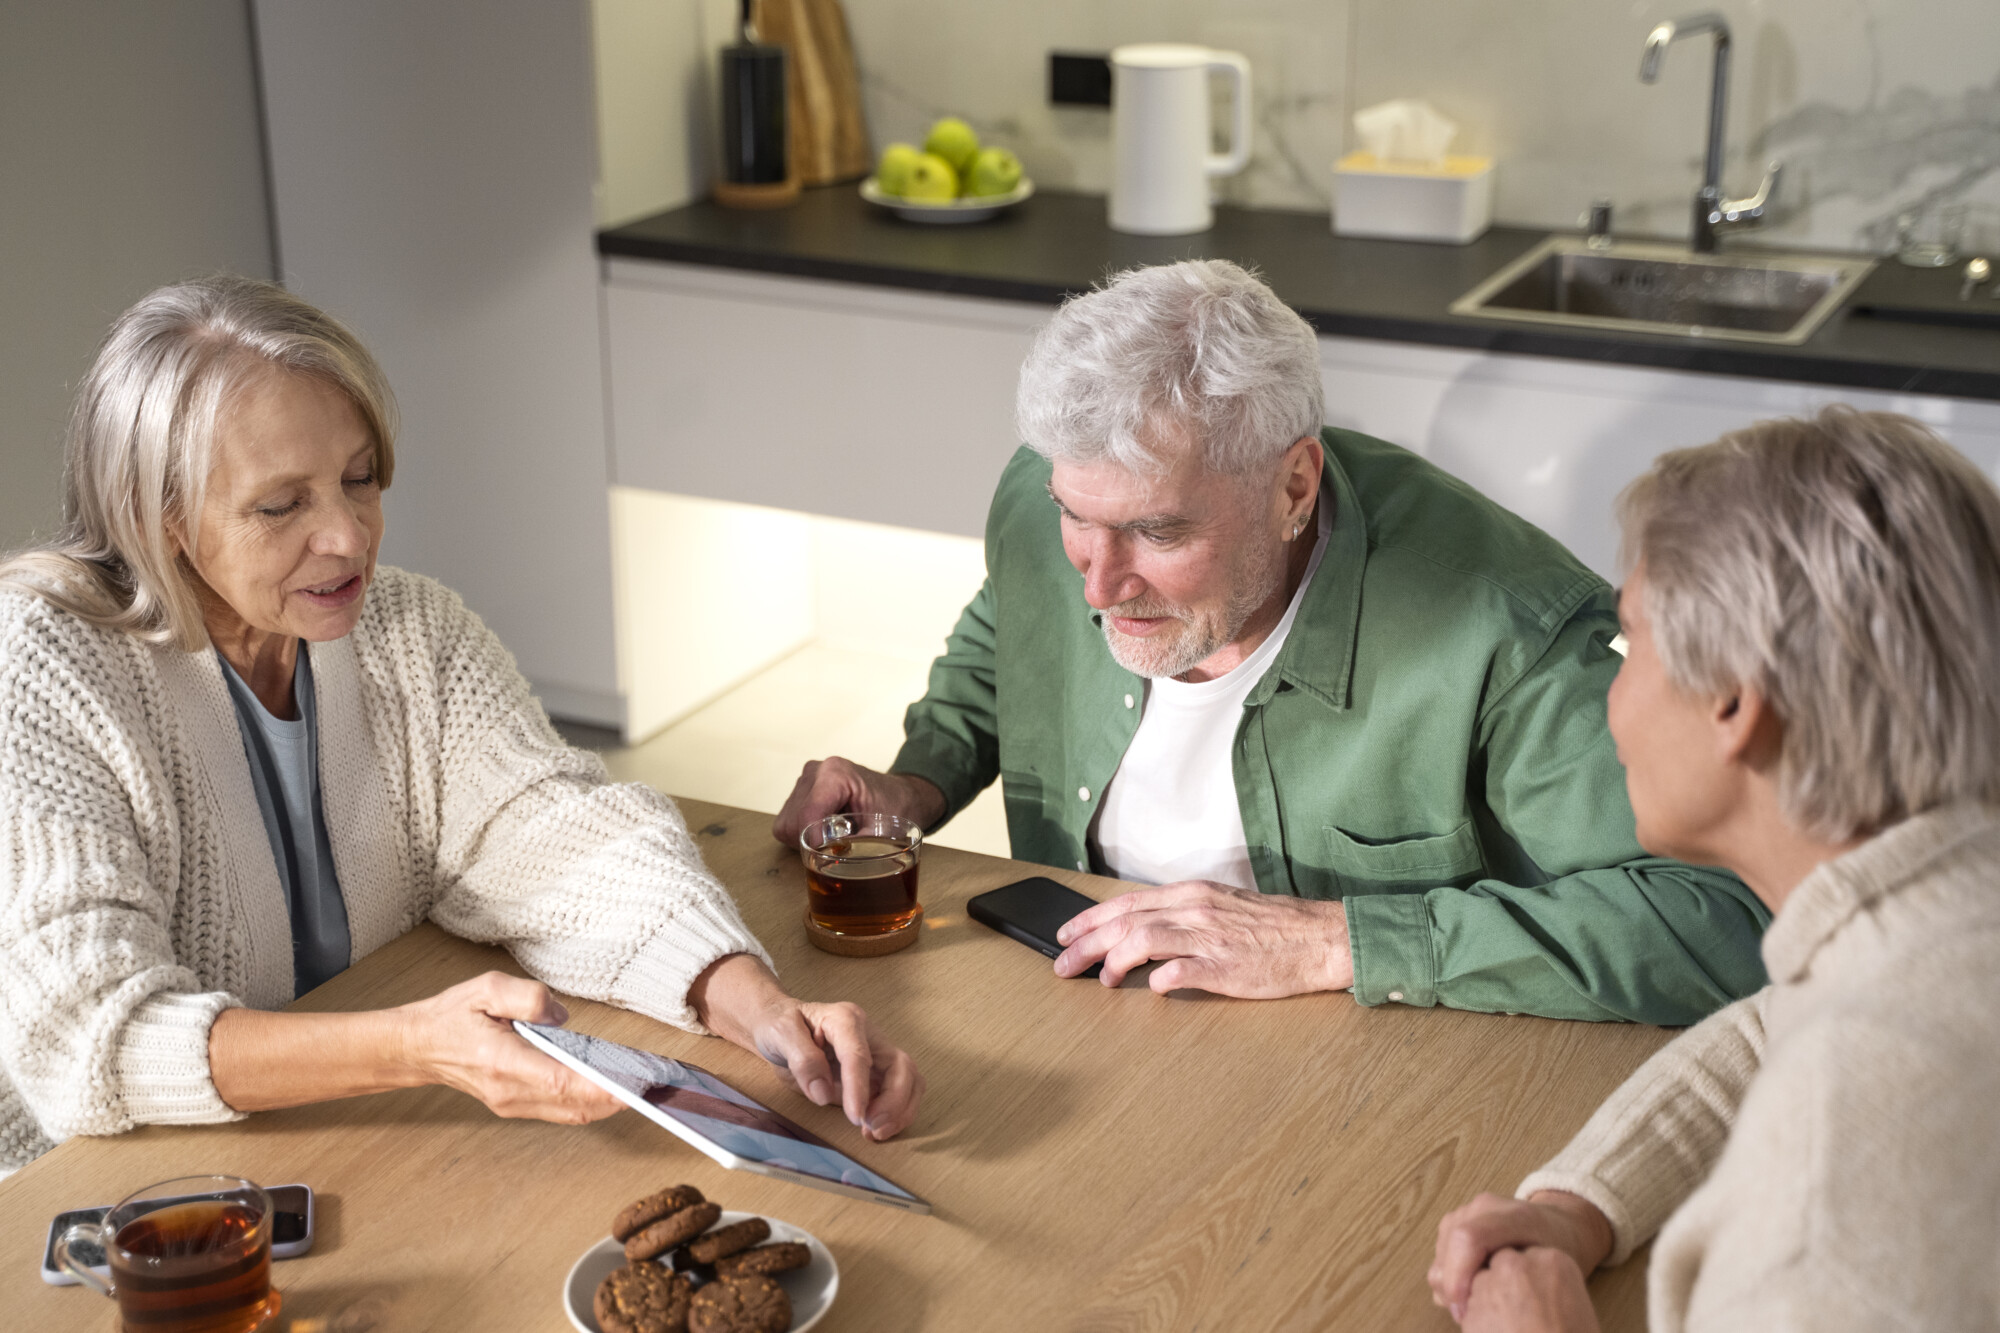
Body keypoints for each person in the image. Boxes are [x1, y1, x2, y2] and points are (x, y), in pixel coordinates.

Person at [0, 276, 922, 1174]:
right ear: (160, 519)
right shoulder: (42, 665)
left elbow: (562, 840)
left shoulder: (411, 628)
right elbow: (88, 1033)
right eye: (282, 505)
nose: (348, 536)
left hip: (362, 1145)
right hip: (112, 1185)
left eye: (360, 479)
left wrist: (759, 1007)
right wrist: (416, 1045)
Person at [775, 259, 1766, 1024]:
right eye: (1075, 516)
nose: (1099, 583)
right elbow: (1010, 629)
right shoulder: (1056, 507)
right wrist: (919, 780)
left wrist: (1336, 943)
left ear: (1294, 486)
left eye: (1158, 533)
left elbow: (1726, 921)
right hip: (1086, 1021)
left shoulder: (1504, 629)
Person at [1427, 406, 2000, 1331]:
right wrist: (1578, 1204)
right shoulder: (1942, 913)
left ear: (1735, 701)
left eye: (1627, 643)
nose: (1611, 697)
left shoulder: (1827, 1194)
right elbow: (1772, 1029)